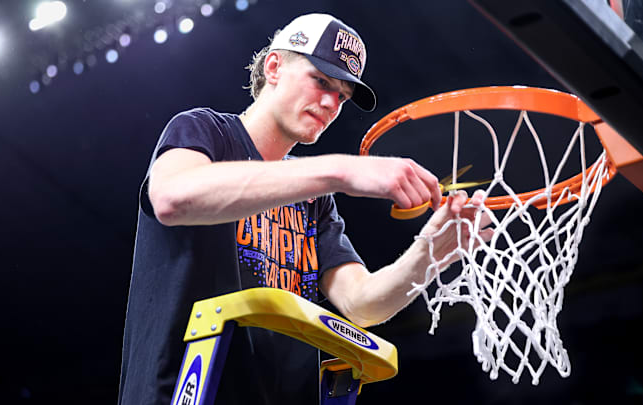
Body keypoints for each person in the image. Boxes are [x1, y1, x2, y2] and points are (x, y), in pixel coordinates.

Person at [117, 13, 492, 405]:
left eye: (343, 96)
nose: (332, 103)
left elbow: (361, 304)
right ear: (274, 66)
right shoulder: (204, 130)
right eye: (322, 81)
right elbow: (172, 197)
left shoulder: (315, 199)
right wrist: (341, 170)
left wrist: (427, 254)